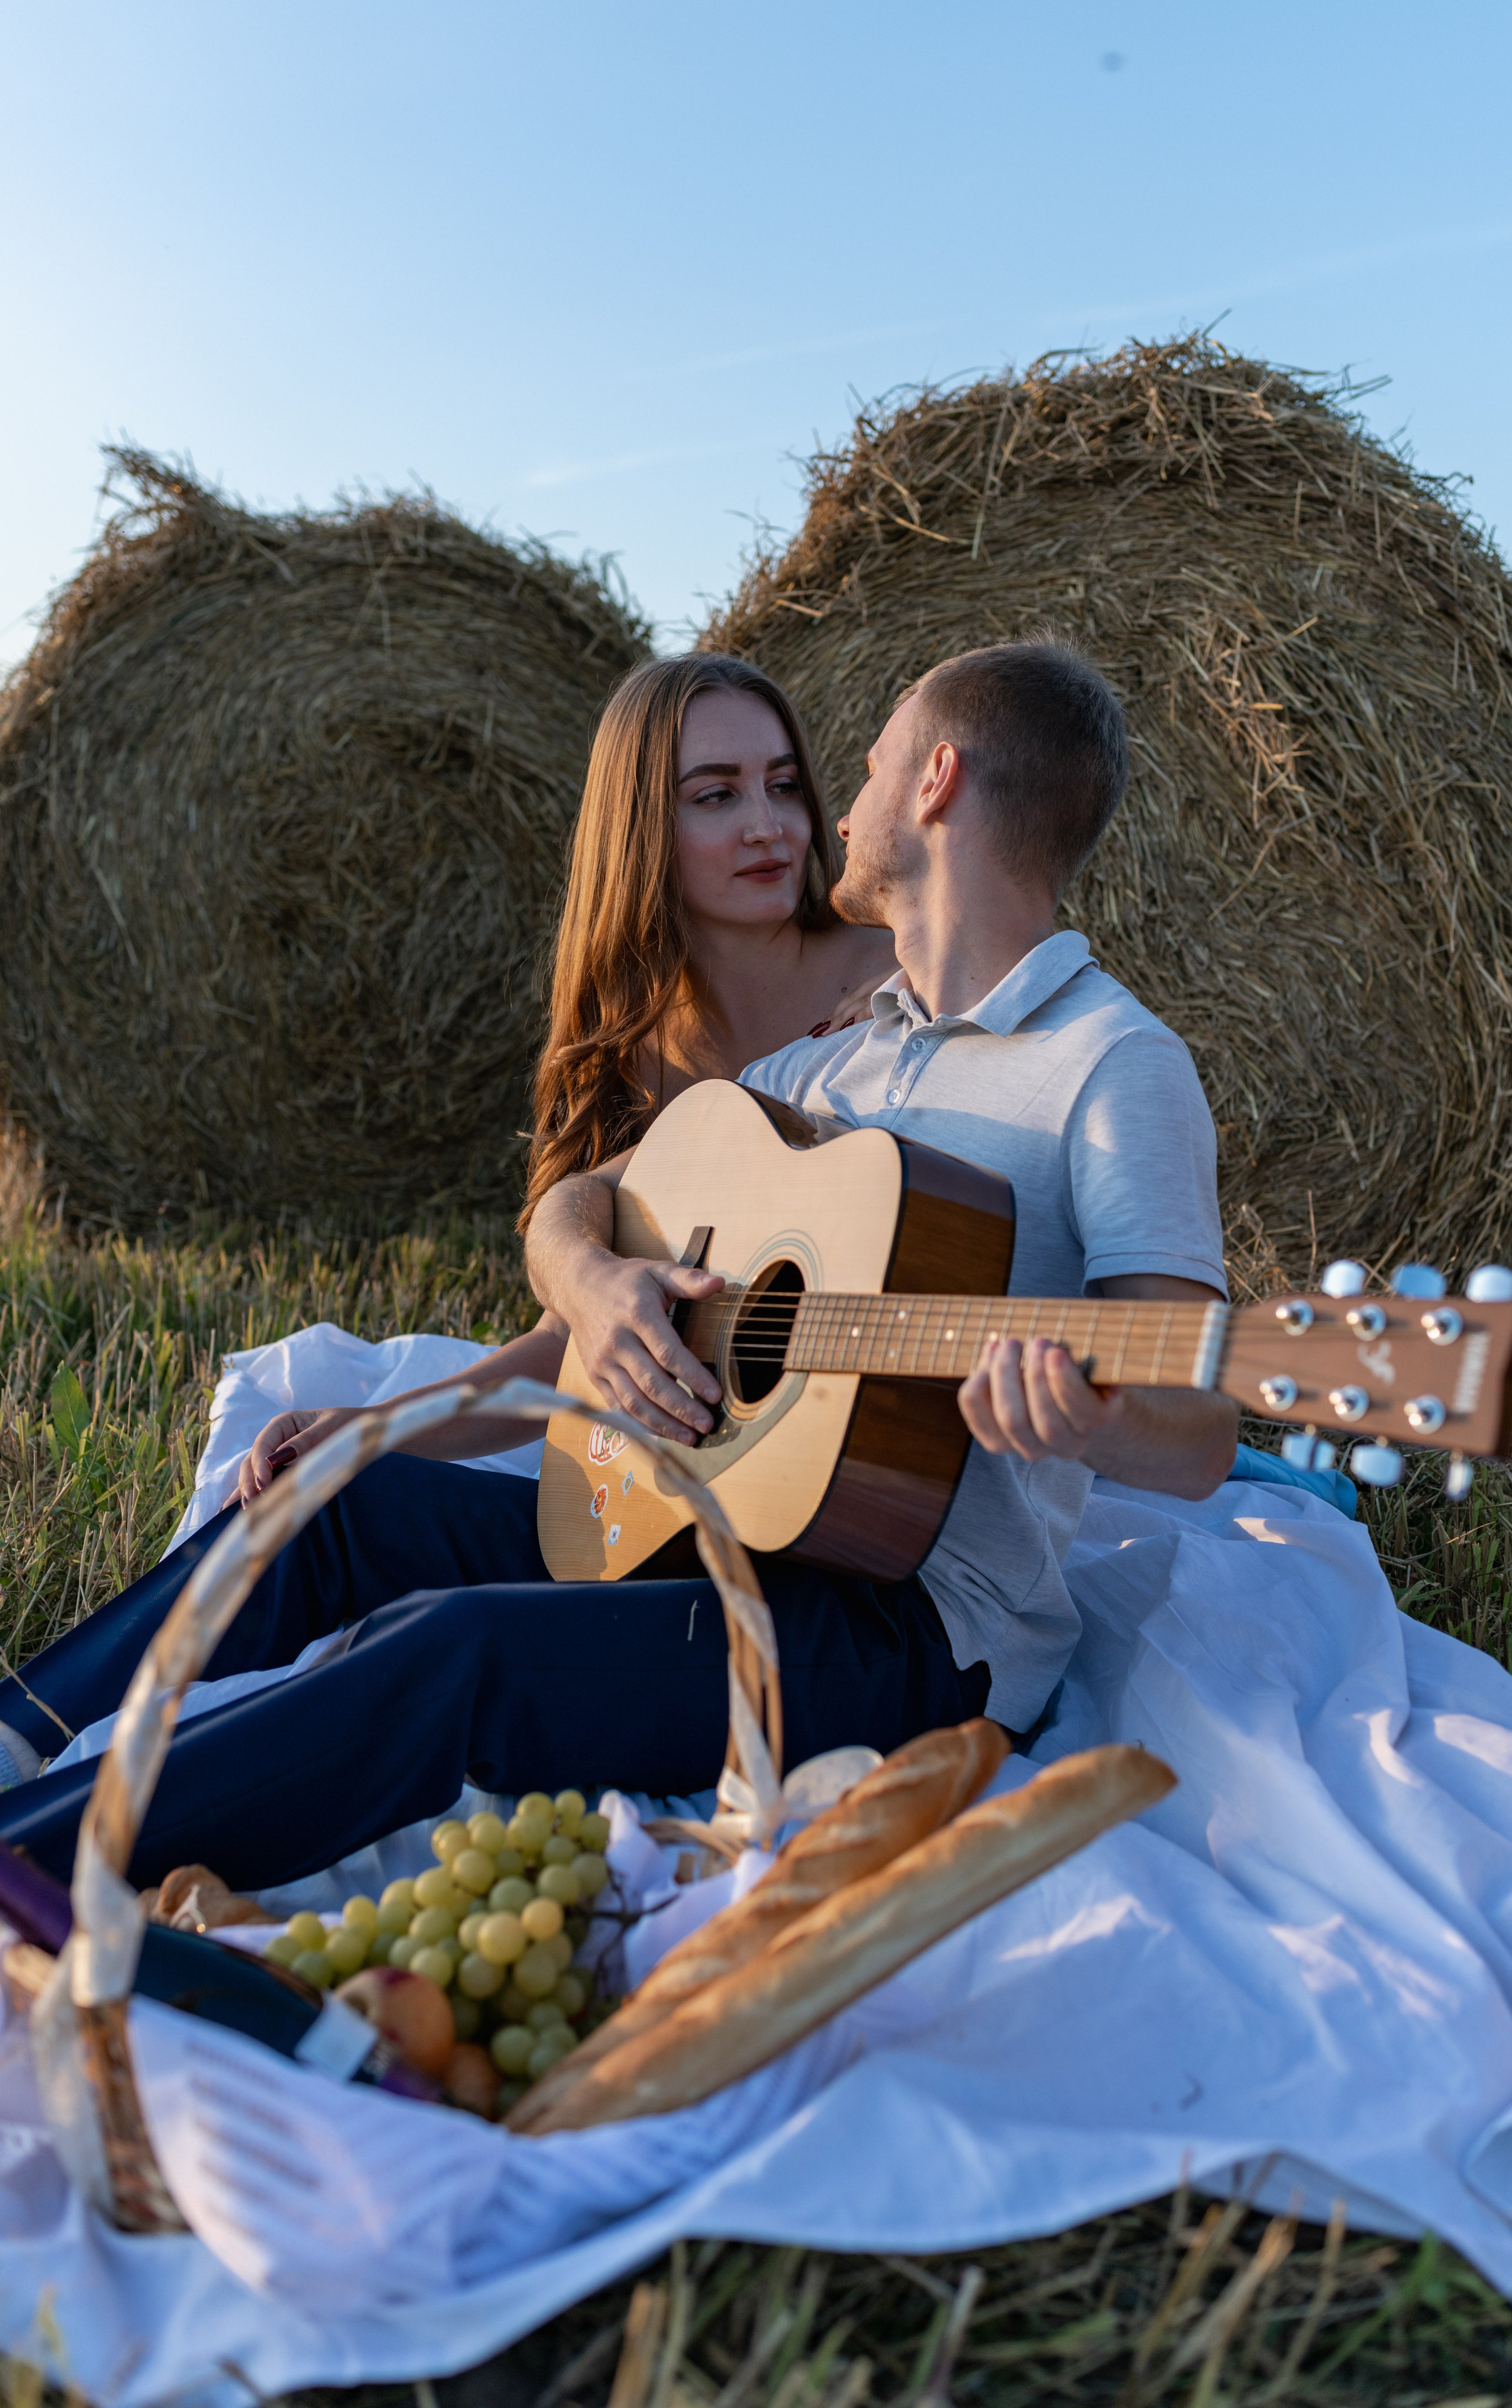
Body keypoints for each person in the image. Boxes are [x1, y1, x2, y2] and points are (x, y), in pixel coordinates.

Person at [0, 639, 1237, 1893]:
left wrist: (1084, 1420)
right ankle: (19, 1732)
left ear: (933, 782)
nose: (830, 814)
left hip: (914, 1637)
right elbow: (601, 1195)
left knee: (456, 1649)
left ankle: (28, 1866)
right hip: (721, 1524)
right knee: (335, 1502)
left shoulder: (1110, 1065)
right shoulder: (837, 1062)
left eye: (852, 773)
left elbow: (1193, 1433)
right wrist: (594, 1285)